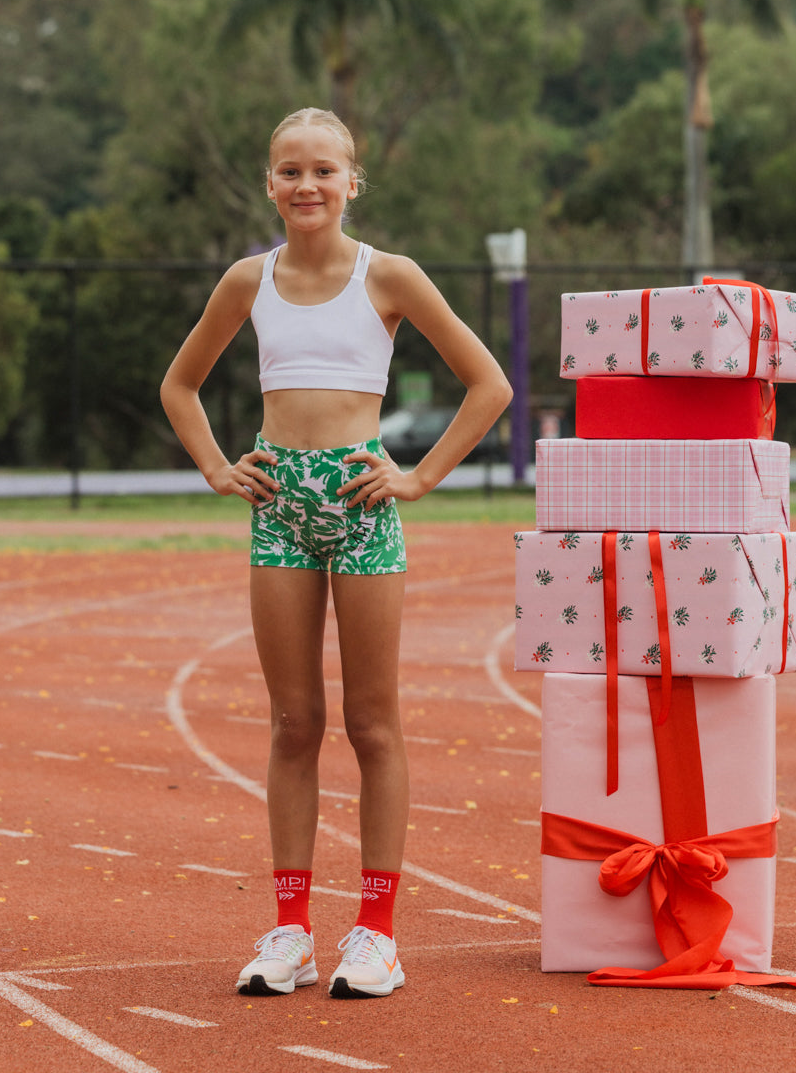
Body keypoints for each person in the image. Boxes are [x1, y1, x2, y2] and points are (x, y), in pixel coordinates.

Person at [160, 107, 512, 999]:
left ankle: (378, 936)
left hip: (362, 505)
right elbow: (181, 383)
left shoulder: (388, 276)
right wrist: (215, 467)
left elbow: (490, 383)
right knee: (292, 723)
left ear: (354, 182)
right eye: (289, 171)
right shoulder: (250, 280)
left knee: (374, 724)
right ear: (270, 183)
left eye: (323, 170)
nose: (306, 185)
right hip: (279, 504)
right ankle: (289, 932)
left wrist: (419, 478)